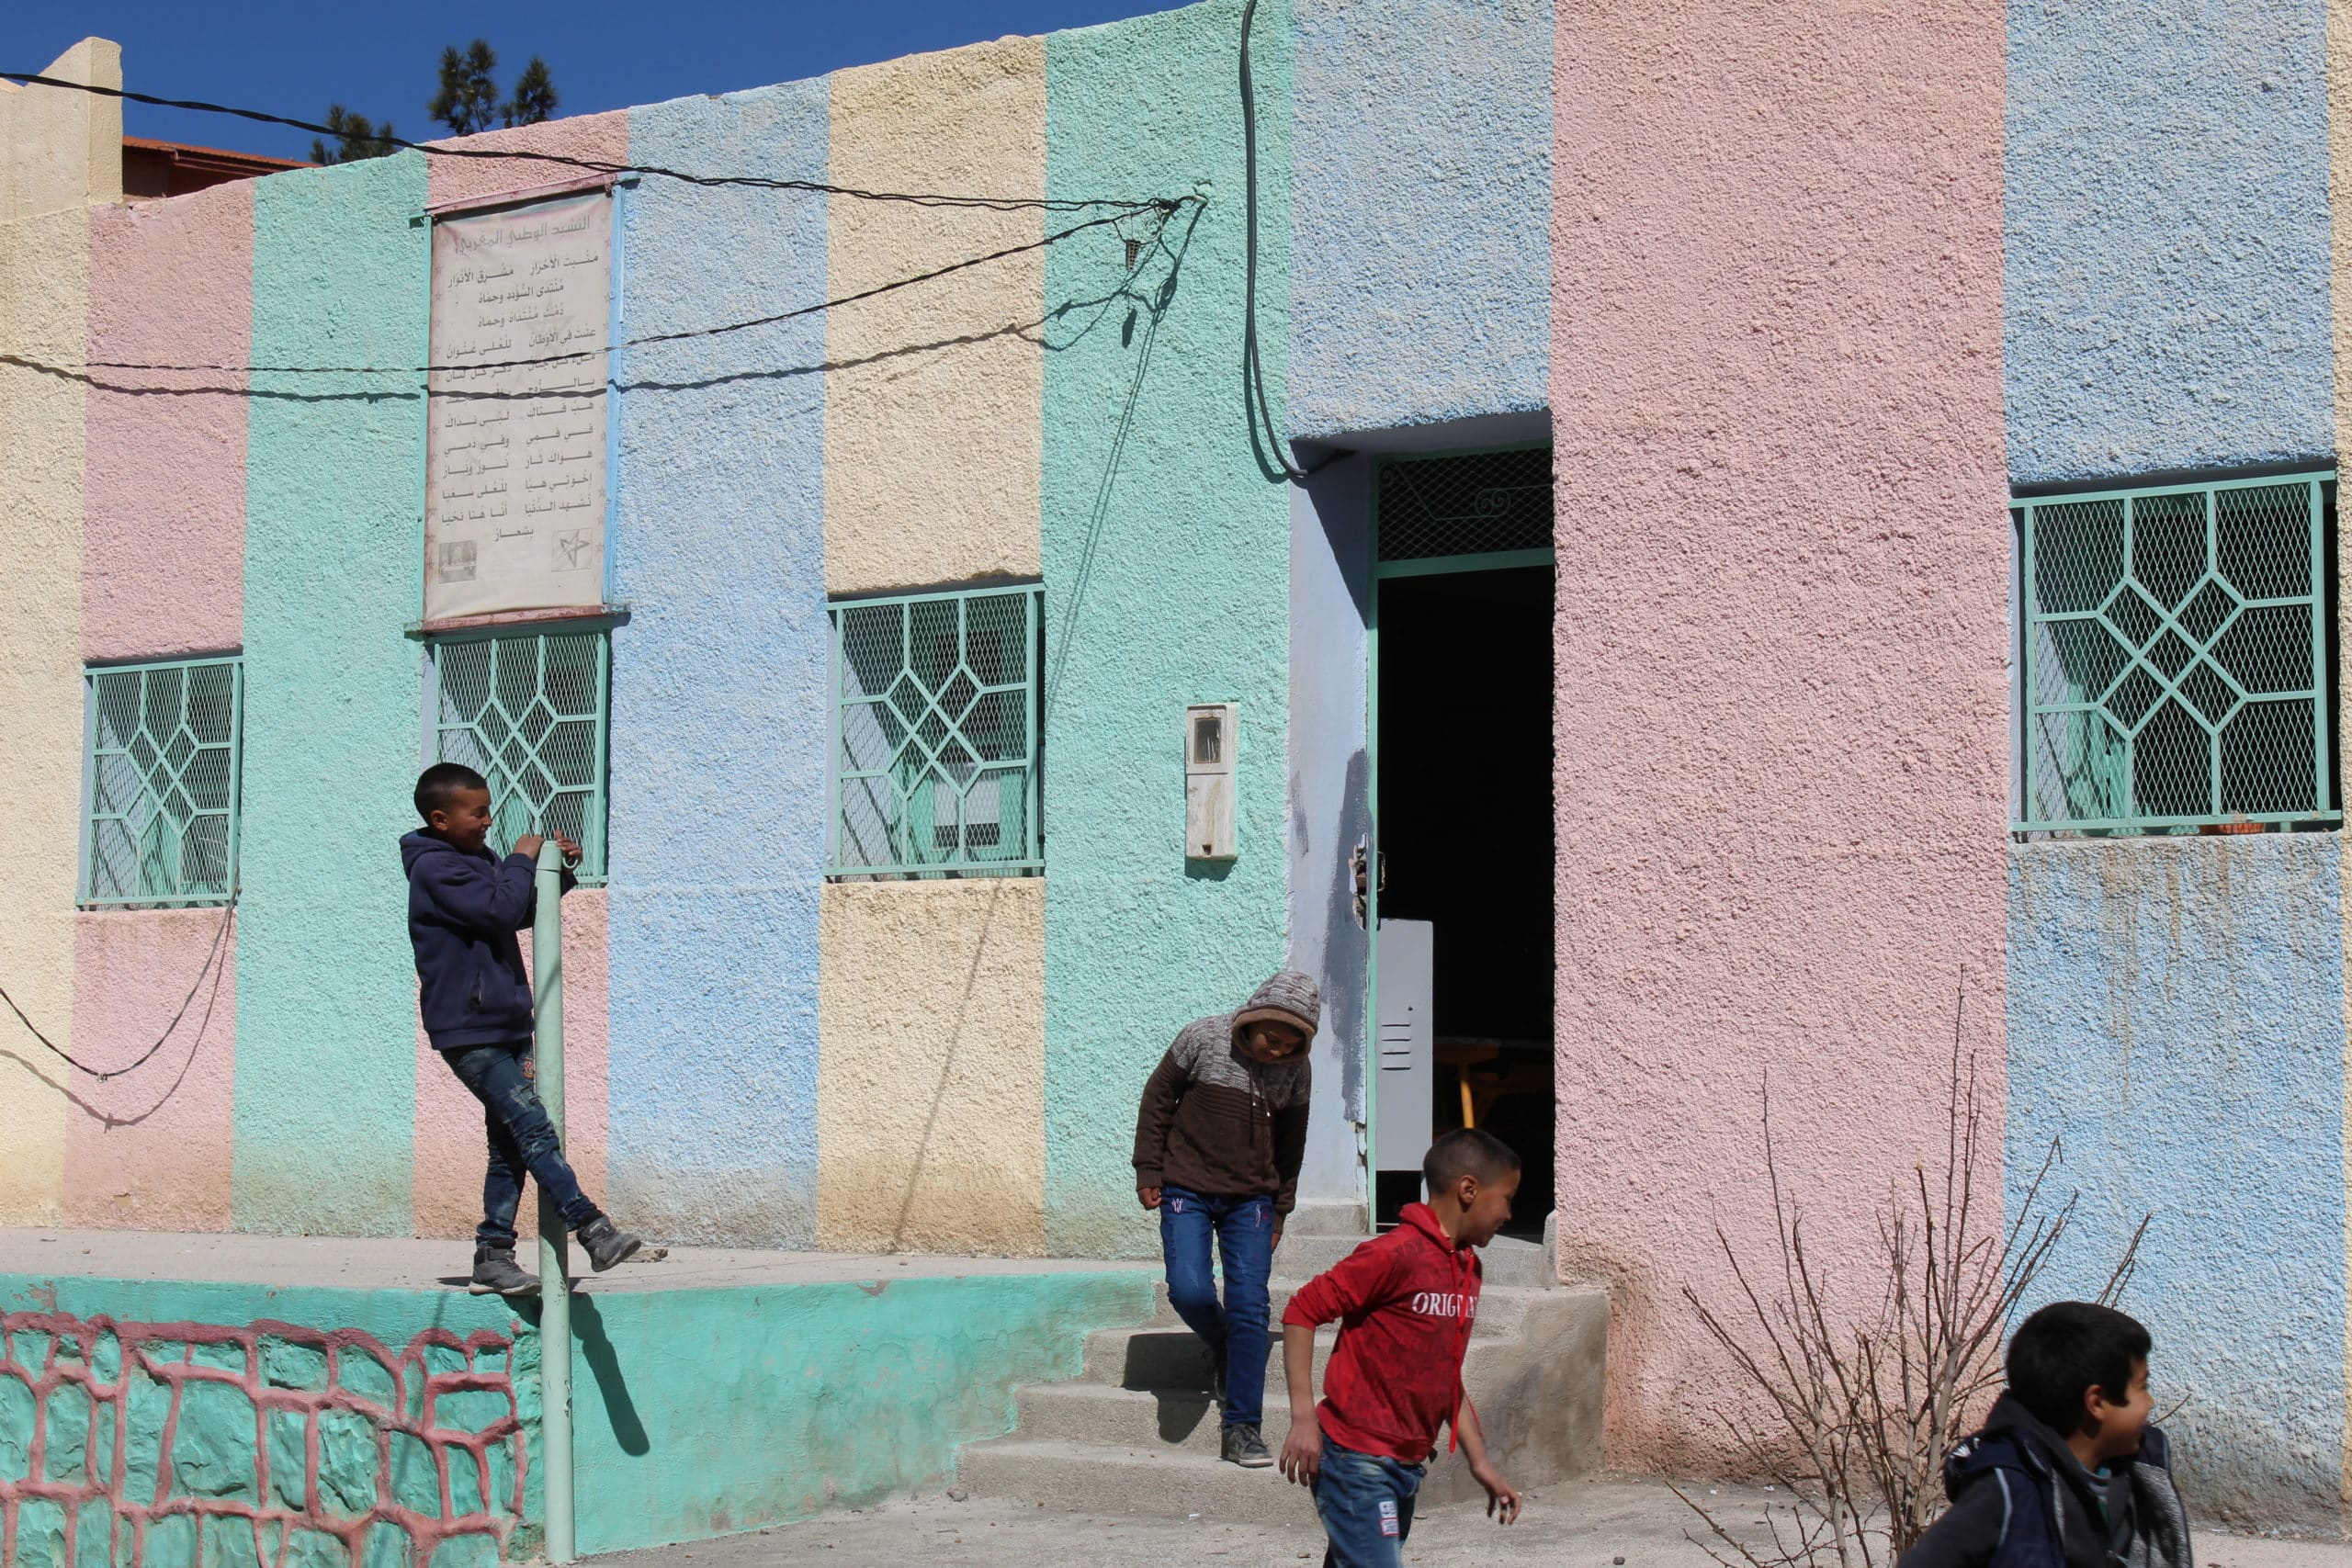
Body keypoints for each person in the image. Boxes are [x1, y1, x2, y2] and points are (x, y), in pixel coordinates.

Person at [404, 762, 642, 1295]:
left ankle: (493, 1255)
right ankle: (592, 1227)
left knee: (511, 1144)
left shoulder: (475, 861)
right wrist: (519, 859)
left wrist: (555, 870)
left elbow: (518, 911)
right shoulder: (434, 869)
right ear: (441, 819)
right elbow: (498, 908)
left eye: (489, 810)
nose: (488, 821)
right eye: (478, 812)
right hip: (470, 1031)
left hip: (507, 1023)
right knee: (533, 1127)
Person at [1277, 1128, 1523, 1568]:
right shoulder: (1394, 1254)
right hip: (1355, 1462)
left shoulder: (1469, 1269)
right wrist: (1302, 1418)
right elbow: (1301, 1311)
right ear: (1468, 1189)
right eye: (1506, 1197)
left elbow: (1447, 1379)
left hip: (1404, 1466)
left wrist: (1480, 1462)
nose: (1508, 1213)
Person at [1132, 971, 1320, 1468]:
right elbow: (1157, 1100)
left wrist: (1281, 1208)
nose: (1275, 1051)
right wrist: (1148, 1167)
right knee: (1189, 1290)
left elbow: (1292, 1145)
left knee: (1250, 1306)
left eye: (1288, 1046)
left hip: (1252, 1203)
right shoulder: (1203, 1038)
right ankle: (1228, 1345)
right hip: (1186, 1190)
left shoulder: (1297, 1072)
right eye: (1270, 1039)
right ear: (1253, 1020)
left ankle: (1242, 1428)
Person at [1899, 1301, 2188, 1568]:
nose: (2150, 1403)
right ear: (2097, 1402)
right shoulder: (2009, 1487)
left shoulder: (2141, 1473)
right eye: (2142, 1387)